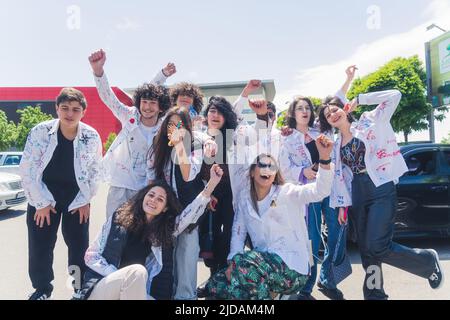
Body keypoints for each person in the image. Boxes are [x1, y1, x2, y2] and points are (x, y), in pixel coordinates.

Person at [318, 89, 445, 300]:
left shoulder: (370, 120)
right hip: (358, 192)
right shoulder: (336, 143)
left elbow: (395, 95)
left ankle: (426, 261)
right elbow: (342, 177)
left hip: (381, 186)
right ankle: (375, 294)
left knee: (378, 246)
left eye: (334, 109)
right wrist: (343, 205)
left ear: (344, 108)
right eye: (327, 115)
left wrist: (360, 99)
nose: (332, 115)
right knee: (367, 249)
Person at [205, 141, 334, 300]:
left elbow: (320, 191)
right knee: (216, 285)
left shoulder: (287, 192)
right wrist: (232, 263)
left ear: (275, 174)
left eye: (271, 167)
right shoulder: (244, 199)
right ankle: (270, 294)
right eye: (262, 165)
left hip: (292, 268)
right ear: (252, 172)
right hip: (260, 267)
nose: (267, 170)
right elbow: (238, 234)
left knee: (245, 268)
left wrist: (325, 159)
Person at [79, 165, 224, 300]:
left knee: (139, 280)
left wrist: (211, 184)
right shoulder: (118, 218)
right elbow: (91, 256)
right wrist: (121, 277)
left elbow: (189, 215)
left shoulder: (163, 232)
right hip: (104, 288)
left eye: (160, 199)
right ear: (144, 196)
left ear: (165, 208)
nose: (153, 200)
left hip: (134, 293)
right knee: (137, 273)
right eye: (151, 195)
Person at [277, 66, 357, 300]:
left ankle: (328, 279)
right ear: (292, 113)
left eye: (307, 107)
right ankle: (306, 286)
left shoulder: (321, 130)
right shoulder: (286, 137)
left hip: (333, 191)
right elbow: (283, 169)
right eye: (299, 108)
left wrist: (348, 79)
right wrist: (303, 171)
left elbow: (335, 103)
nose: (304, 111)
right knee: (311, 240)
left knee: (335, 235)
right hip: (308, 194)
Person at [19, 88, 103, 300]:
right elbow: (27, 168)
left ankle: (78, 288)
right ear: (57, 108)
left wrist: (85, 201)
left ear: (83, 112)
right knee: (41, 244)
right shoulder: (40, 132)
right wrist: (40, 203)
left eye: (75, 109)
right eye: (64, 108)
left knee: (77, 246)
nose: (69, 114)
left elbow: (96, 171)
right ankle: (42, 289)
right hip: (44, 192)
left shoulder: (91, 136)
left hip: (77, 196)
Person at [88, 49, 175, 218]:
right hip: (121, 185)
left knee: (141, 236)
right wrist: (98, 71)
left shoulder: (166, 127)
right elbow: (108, 98)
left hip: (149, 189)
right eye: (144, 102)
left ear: (160, 106)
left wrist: (162, 75)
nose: (147, 107)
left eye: (152, 103)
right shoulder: (129, 116)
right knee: (114, 231)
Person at [148, 106, 211, 300]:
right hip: (165, 211)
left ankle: (185, 298)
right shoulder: (158, 147)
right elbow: (150, 178)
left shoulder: (196, 146)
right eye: (171, 124)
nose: (174, 128)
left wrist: (180, 145)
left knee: (186, 255)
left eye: (179, 124)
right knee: (164, 258)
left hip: (189, 211)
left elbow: (188, 173)